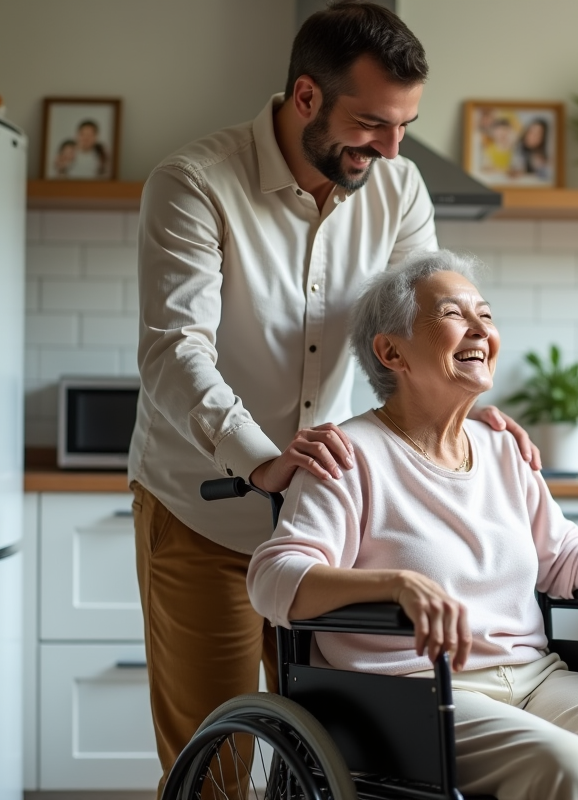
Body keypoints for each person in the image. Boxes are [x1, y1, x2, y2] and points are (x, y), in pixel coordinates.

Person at [128, 3, 539, 792]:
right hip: (202, 511)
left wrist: (464, 405)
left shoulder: (400, 187)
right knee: (215, 755)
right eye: (373, 124)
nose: (390, 148)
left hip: (334, 530)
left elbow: (418, 327)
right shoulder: (193, 183)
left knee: (334, 761)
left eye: (405, 126)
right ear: (306, 97)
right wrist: (261, 461)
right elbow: (175, 351)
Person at [248, 250, 578, 800]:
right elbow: (273, 576)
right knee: (565, 766)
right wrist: (395, 586)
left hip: (534, 679)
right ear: (391, 352)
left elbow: (564, 556)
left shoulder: (503, 449)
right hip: (411, 693)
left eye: (487, 314)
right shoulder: (348, 454)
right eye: (455, 315)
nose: (482, 329)